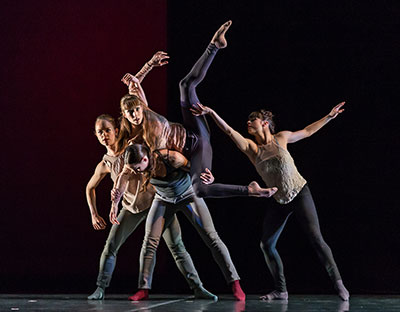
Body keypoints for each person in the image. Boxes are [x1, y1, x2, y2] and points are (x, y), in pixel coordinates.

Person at [190, 101, 350, 301]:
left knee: (316, 239)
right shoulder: (252, 149)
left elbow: (308, 131)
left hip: (300, 192)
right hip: (278, 199)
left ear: (265, 123)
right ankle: (281, 290)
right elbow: (230, 132)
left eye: (253, 119)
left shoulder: (281, 138)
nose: (248, 122)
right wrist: (212, 113)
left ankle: (338, 283)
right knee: (266, 244)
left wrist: (329, 117)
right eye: (247, 120)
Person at [118, 20, 277, 199]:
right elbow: (173, 162)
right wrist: (201, 169)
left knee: (185, 86)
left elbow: (134, 84)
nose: (136, 115)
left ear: (140, 106)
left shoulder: (144, 112)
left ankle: (215, 45)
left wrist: (149, 64)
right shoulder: (141, 143)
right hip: (197, 149)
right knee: (201, 189)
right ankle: (251, 190)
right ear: (125, 116)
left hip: (193, 127)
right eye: (130, 113)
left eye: (137, 110)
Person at [86, 115, 216, 299]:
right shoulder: (105, 164)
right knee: (111, 246)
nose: (104, 135)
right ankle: (100, 288)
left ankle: (197, 287)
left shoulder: (133, 147)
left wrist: (136, 87)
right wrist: (94, 213)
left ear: (116, 130)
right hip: (131, 208)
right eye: (100, 132)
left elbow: (145, 116)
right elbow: (89, 187)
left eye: (107, 130)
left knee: (177, 246)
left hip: (158, 203)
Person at [110, 143, 246, 301]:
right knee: (149, 242)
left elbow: (196, 170)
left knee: (211, 238)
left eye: (138, 168)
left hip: (188, 195)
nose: (135, 172)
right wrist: (114, 204)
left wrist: (208, 177)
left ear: (145, 159)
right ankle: (144, 288)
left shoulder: (172, 158)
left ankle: (235, 283)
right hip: (163, 199)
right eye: (133, 169)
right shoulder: (133, 166)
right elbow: (123, 177)